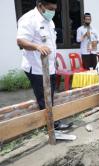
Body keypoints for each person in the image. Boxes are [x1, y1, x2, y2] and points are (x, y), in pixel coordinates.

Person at [16, 0, 72, 130]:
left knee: (50, 94)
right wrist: (37, 46)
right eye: (50, 8)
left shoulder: (48, 20)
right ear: (40, 5)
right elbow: (20, 41)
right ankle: (52, 126)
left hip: (49, 66)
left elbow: (50, 42)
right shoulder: (28, 19)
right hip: (36, 67)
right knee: (44, 96)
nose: (52, 12)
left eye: (54, 9)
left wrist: (54, 60)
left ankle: (50, 121)